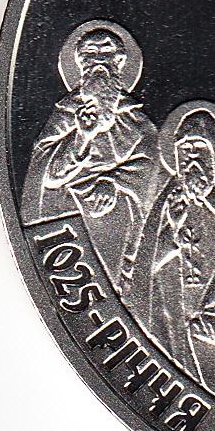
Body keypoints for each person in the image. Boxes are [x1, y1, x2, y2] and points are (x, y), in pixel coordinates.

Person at [126, 103, 215, 417]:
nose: (191, 160)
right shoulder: (168, 208)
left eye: (199, 150)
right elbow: (149, 266)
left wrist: (213, 313)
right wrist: (171, 234)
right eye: (184, 152)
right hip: (179, 322)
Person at [21, 22, 159, 288]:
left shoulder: (137, 121)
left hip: (116, 218)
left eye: (106, 52)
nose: (98, 61)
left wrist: (113, 182)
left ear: (119, 62)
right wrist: (82, 138)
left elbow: (150, 167)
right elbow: (47, 174)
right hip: (67, 213)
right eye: (90, 54)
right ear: (80, 64)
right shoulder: (65, 114)